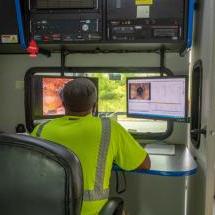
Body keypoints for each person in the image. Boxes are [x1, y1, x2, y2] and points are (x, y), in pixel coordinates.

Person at [31, 78, 151, 215]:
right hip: (94, 211)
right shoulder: (109, 128)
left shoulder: (41, 130)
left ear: (63, 103)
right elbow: (145, 164)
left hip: (50, 208)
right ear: (95, 104)